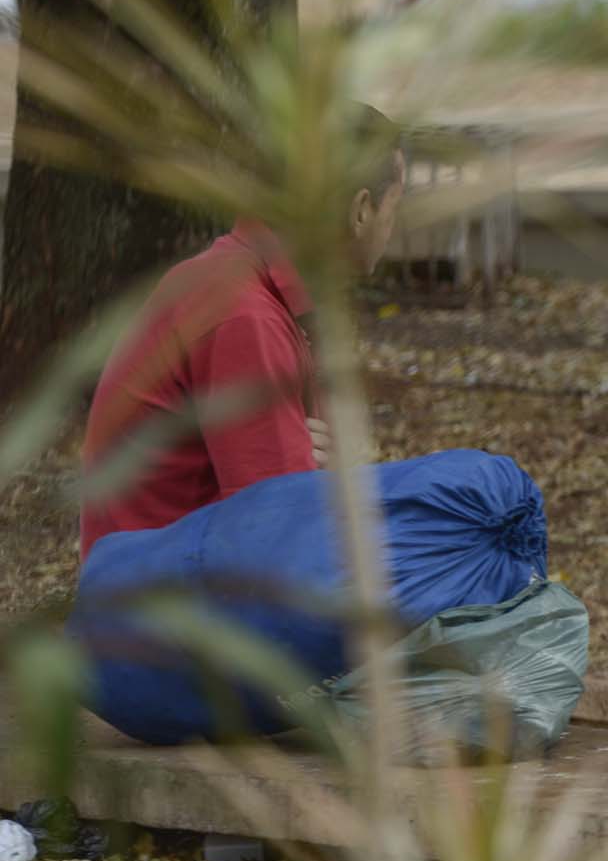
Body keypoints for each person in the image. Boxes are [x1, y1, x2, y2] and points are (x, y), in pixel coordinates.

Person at [79, 105, 407, 561]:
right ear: (360, 212)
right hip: (158, 605)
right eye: (396, 204)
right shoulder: (244, 314)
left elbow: (318, 474)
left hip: (178, 569)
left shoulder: (264, 286)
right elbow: (282, 538)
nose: (396, 224)